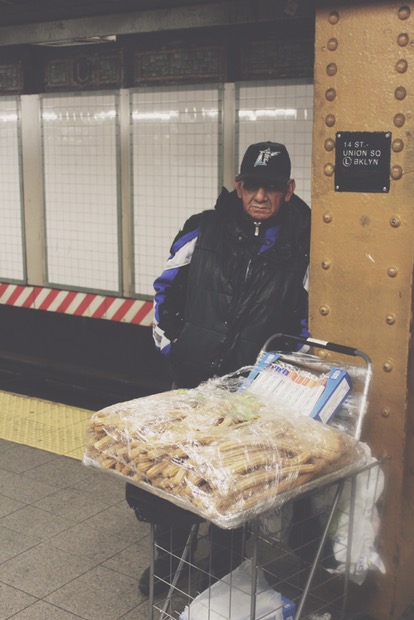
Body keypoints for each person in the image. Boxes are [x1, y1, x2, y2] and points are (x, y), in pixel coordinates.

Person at [126, 141, 311, 596]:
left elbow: (307, 321)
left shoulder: (305, 244)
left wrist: (280, 379)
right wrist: (176, 348)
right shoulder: (203, 229)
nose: (261, 196)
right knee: (177, 473)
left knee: (235, 480)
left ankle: (226, 565)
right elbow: (166, 289)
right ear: (238, 185)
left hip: (252, 392)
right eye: (253, 185)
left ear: (289, 190)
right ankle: (169, 559)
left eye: (272, 187)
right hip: (193, 380)